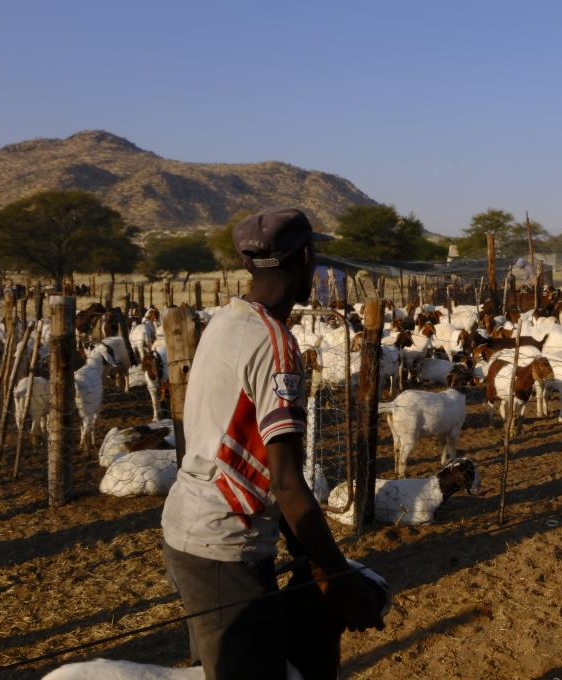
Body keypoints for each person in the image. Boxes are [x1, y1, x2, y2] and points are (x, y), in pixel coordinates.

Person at [161, 207, 384, 680]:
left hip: (188, 526)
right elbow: (286, 481)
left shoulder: (225, 321)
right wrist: (340, 577)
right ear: (306, 257)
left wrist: (305, 555)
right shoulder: (275, 343)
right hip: (225, 543)